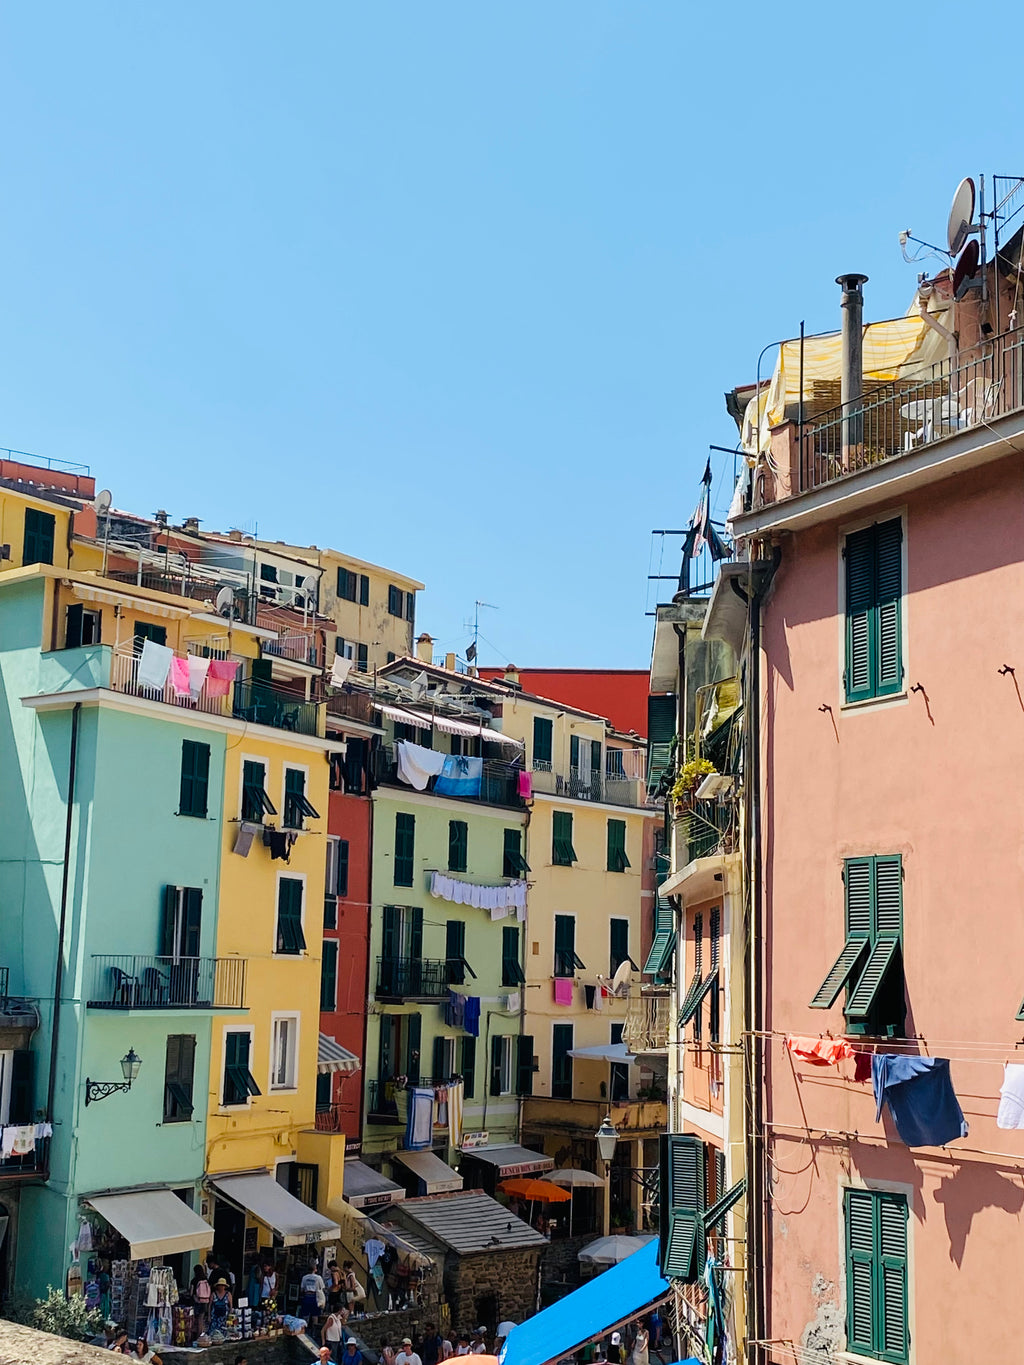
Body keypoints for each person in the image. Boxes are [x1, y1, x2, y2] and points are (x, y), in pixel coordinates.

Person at [300, 1259, 326, 1325]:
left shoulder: (304, 1277)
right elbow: (322, 1288)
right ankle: (314, 1331)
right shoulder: (318, 1278)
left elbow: (302, 1289)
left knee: (305, 1315)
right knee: (315, 1315)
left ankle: (304, 1329)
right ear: (315, 1269)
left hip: (306, 1296)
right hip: (315, 1297)